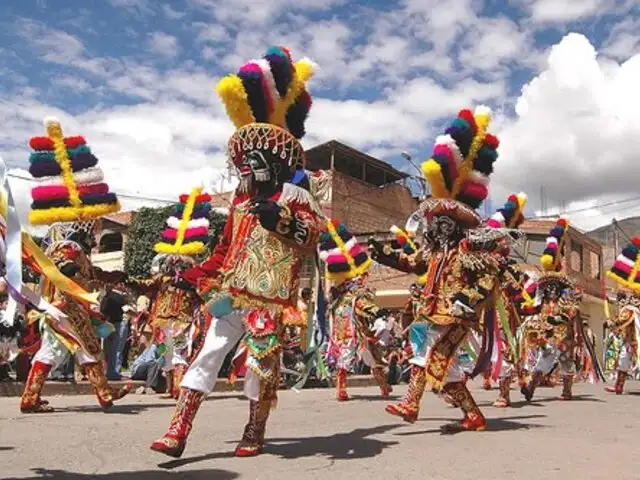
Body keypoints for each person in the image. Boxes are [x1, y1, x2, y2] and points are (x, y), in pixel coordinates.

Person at [150, 46, 325, 458]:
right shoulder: (241, 204)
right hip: (231, 294)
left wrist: (279, 219)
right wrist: (193, 275)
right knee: (206, 354)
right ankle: (177, 431)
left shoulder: (295, 195)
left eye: (255, 159)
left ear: (276, 160)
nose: (248, 167)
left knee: (260, 367)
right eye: (244, 161)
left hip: (269, 298)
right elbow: (223, 250)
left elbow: (313, 236)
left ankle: (254, 429)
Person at [370, 106, 502, 432]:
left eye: (445, 223)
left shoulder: (468, 251)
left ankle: (412, 405)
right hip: (431, 314)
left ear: (456, 226)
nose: (440, 229)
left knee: (433, 361)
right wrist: (383, 255)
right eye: (436, 224)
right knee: (442, 370)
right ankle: (472, 415)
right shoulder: (435, 252)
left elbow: (489, 278)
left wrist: (466, 298)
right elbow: (413, 264)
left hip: (457, 317)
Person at [19, 118, 132, 413]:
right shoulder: (68, 246)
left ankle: (102, 393)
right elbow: (63, 270)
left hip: (62, 307)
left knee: (78, 349)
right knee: (74, 349)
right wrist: (69, 270)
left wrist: (114, 275)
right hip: (66, 307)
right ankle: (35, 397)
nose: (93, 232)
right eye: (90, 227)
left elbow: (88, 274)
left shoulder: (72, 248)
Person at [124, 188, 206, 400]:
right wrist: (125, 280)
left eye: (178, 264)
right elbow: (144, 285)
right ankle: (172, 389)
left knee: (178, 355)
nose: (174, 266)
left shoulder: (192, 282)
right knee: (167, 356)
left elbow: (203, 297)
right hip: (162, 322)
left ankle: (179, 389)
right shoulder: (162, 280)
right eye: (171, 264)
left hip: (182, 322)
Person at [520, 219, 601, 401]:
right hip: (545, 327)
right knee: (544, 356)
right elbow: (535, 302)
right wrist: (526, 310)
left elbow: (572, 306)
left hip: (564, 330)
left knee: (565, 359)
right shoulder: (540, 285)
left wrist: (563, 317)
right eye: (549, 287)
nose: (551, 290)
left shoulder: (566, 285)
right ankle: (532, 385)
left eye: (553, 287)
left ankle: (566, 391)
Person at [320, 220, 392, 401]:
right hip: (357, 329)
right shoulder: (356, 291)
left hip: (345, 328)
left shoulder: (337, 296)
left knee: (347, 353)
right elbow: (363, 304)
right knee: (371, 356)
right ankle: (381, 387)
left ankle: (343, 389)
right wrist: (378, 312)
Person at [603, 238, 640, 394]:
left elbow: (622, 320)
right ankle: (619, 386)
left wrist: (611, 324)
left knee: (625, 358)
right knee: (624, 358)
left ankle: (619, 386)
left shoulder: (630, 309)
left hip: (635, 340)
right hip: (631, 340)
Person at [101, 286, 128, 380]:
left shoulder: (106, 297)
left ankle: (108, 371)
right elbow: (127, 308)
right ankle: (115, 372)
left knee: (107, 349)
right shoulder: (119, 297)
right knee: (117, 349)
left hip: (107, 324)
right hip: (118, 323)